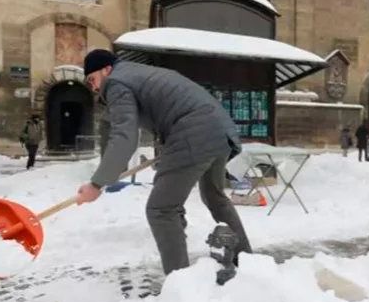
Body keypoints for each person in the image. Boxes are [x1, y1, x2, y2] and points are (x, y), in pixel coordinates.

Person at [74, 48, 253, 279]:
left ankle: (180, 287)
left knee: (161, 209)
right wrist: (110, 170)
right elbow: (111, 124)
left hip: (194, 131)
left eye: (92, 79)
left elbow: (124, 136)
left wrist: (97, 184)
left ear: (106, 69)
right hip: (219, 129)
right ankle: (249, 261)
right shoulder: (135, 75)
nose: (95, 87)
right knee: (214, 196)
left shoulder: (116, 83)